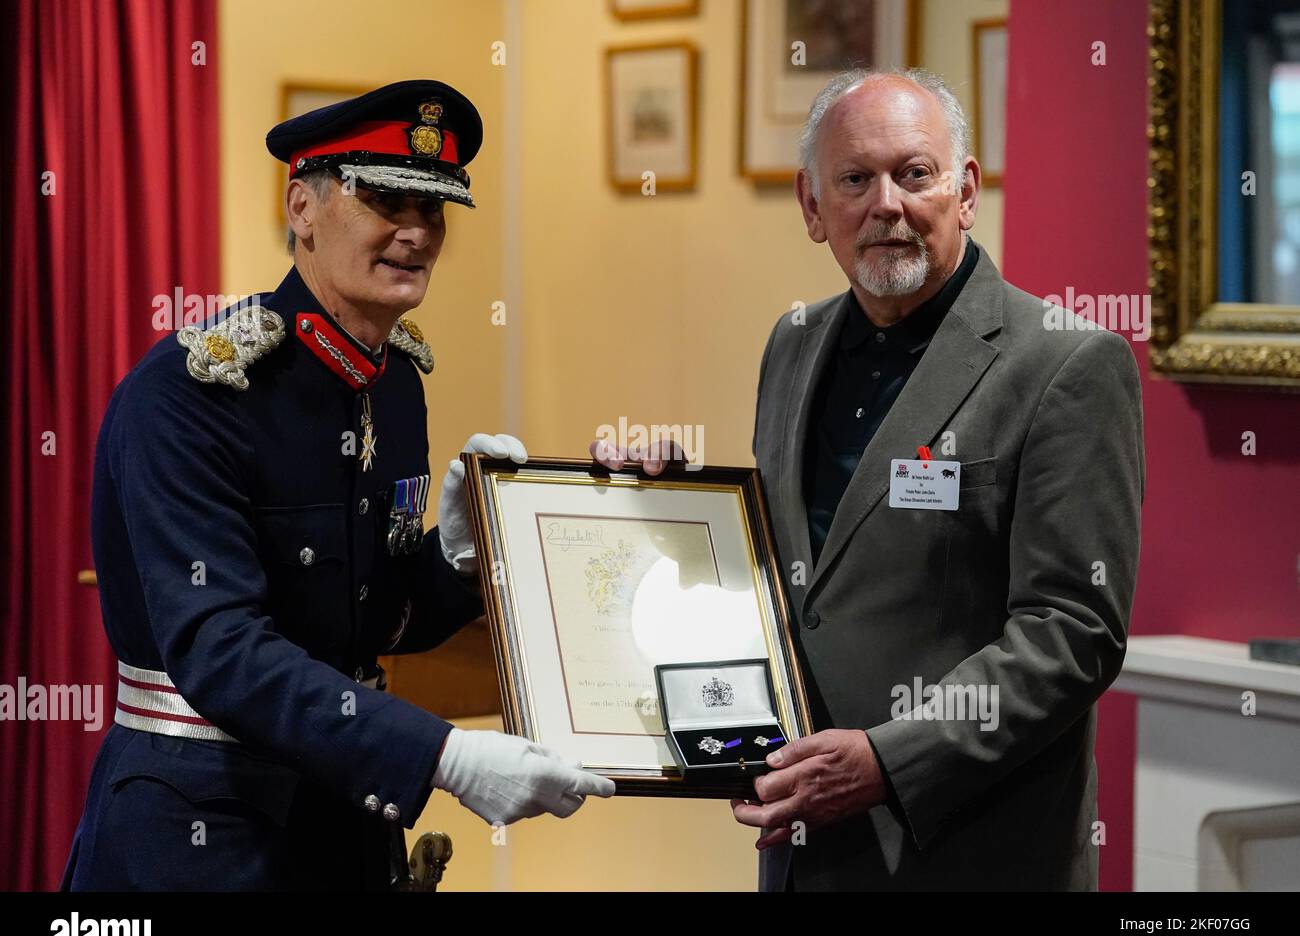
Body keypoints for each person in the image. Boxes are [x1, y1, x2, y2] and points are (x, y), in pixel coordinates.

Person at [595, 68, 1144, 890]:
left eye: (913, 174)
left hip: (972, 849)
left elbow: (1072, 635)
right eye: (854, 179)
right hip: (806, 841)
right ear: (813, 208)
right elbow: (804, 575)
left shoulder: (1066, 361)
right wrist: (674, 506)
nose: (885, 203)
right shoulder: (795, 341)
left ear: (964, 191)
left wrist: (888, 762)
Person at [64, 79, 612, 891]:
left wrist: (458, 555)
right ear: (302, 207)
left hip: (349, 825)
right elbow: (220, 650)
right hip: (203, 828)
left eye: (435, 210)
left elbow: (371, 624)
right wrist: (443, 754)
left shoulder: (393, 383)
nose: (417, 232)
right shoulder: (192, 391)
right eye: (386, 199)